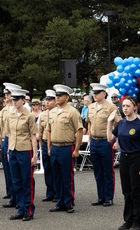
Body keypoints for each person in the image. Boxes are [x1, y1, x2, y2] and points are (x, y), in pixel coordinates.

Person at [113, 95, 140, 230]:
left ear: (134, 107)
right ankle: (128, 220)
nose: (125, 108)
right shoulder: (121, 123)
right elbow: (110, 138)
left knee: (135, 190)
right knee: (126, 191)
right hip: (123, 158)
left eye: (128, 106)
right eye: (123, 106)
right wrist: (108, 122)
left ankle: (137, 221)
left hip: (136, 158)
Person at [45, 85, 84, 213]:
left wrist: (77, 149)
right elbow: (49, 131)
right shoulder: (52, 112)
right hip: (55, 147)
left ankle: (68, 202)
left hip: (67, 147)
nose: (57, 98)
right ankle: (60, 201)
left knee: (67, 176)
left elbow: (79, 131)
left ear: (66, 97)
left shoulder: (72, 112)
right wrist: (49, 147)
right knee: (56, 176)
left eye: (60, 96)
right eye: (56, 95)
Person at [4, 88, 38, 220]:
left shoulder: (29, 116)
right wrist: (8, 151)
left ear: (23, 100)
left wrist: (35, 155)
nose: (14, 102)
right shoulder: (10, 115)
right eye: (13, 99)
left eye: (17, 99)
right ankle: (20, 208)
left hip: (25, 150)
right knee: (16, 180)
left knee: (27, 181)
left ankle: (28, 209)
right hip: (13, 150)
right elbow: (9, 134)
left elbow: (33, 136)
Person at [87, 83, 117, 206]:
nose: (94, 95)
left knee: (107, 170)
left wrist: (115, 140)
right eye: (93, 93)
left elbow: (118, 125)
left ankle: (109, 197)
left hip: (106, 141)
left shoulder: (111, 107)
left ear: (104, 93)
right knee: (97, 170)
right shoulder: (91, 107)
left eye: (97, 92)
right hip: (94, 141)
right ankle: (101, 196)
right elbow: (89, 123)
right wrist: (89, 138)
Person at [36, 90, 57, 202]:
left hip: (55, 142)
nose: (47, 102)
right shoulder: (43, 115)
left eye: (50, 100)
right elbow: (40, 130)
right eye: (46, 100)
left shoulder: (57, 112)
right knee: (48, 168)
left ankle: (58, 192)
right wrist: (41, 144)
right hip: (44, 142)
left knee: (56, 169)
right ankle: (50, 192)